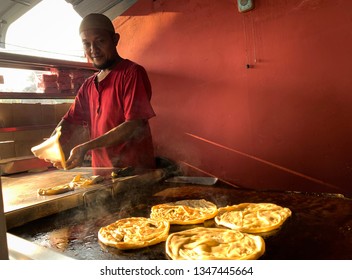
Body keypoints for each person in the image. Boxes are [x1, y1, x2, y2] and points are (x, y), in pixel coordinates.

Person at [52, 13, 156, 171]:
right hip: (101, 175)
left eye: (100, 41)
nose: (93, 50)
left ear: (115, 39)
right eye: (86, 44)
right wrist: (53, 143)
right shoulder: (88, 85)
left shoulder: (132, 73)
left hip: (133, 174)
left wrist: (85, 147)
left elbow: (134, 124)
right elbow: (70, 121)